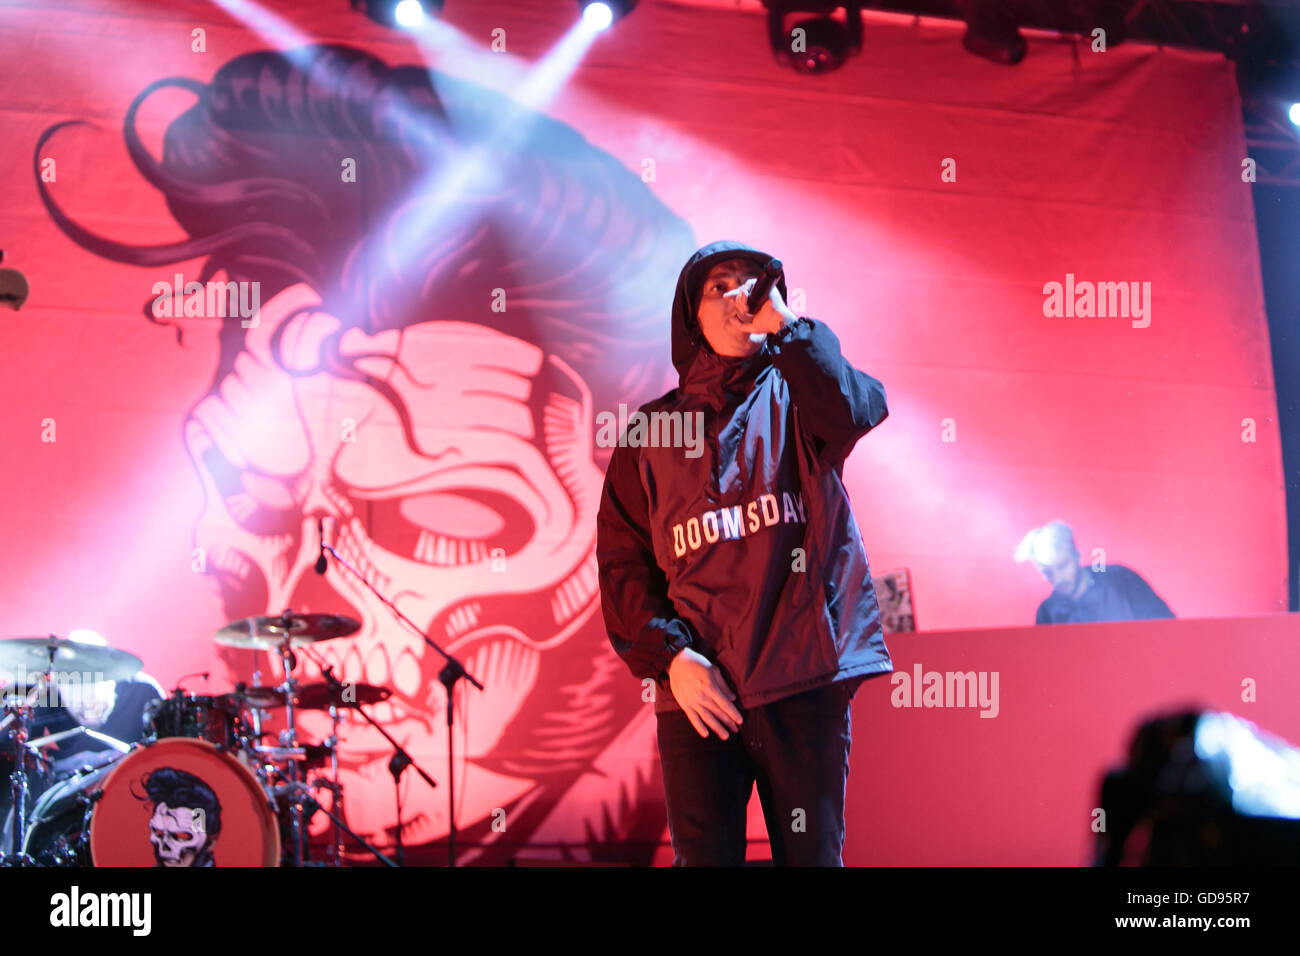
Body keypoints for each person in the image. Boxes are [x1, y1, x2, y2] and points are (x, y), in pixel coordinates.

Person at [596, 240, 892, 866]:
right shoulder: (650, 433)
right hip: (700, 691)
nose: (739, 294)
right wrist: (673, 657)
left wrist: (785, 327)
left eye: (751, 281)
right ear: (691, 317)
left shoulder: (800, 395)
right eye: (718, 286)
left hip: (802, 678)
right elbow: (623, 568)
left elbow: (855, 407)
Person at [1016, 520, 1175, 624]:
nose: (1057, 578)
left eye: (1063, 566)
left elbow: (1165, 628)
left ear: (1077, 555)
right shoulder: (1047, 612)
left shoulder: (1120, 580)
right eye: (1047, 572)